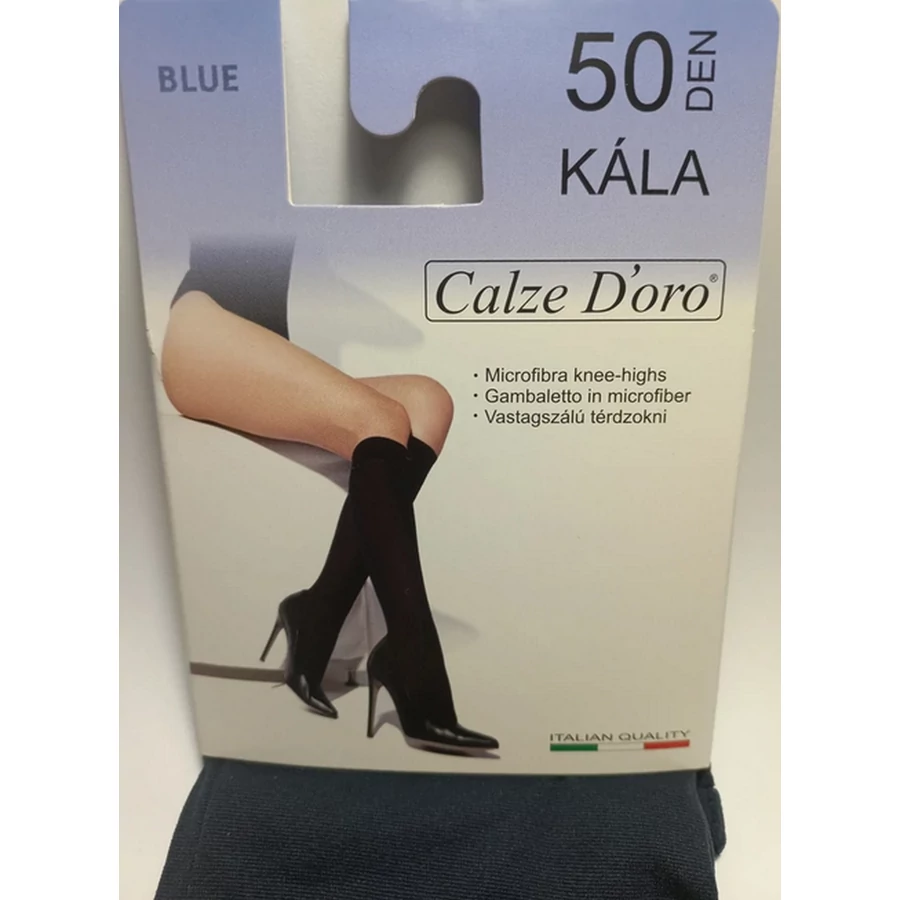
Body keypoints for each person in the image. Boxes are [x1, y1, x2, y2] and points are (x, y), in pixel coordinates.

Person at [161, 237, 497, 754]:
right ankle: (415, 661)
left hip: (262, 359)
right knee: (381, 419)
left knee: (429, 402)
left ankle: (318, 610)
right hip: (204, 334)